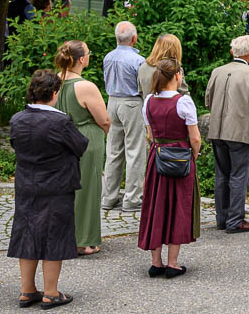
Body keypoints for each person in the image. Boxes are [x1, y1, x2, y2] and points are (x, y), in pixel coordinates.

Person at [8, 69, 88, 309]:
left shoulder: (17, 119)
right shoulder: (60, 121)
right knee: (54, 236)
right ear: (54, 93)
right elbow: (80, 145)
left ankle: (27, 290)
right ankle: (51, 292)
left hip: (26, 183)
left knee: (27, 233)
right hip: (56, 184)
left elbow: (15, 144)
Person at [48, 40, 110, 256]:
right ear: (82, 59)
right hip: (85, 140)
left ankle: (62, 235)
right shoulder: (85, 86)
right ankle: (84, 241)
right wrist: (106, 132)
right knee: (87, 190)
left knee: (63, 189)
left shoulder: (53, 81)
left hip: (60, 139)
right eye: (88, 53)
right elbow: (104, 119)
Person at [138, 57, 199, 278]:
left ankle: (156, 262)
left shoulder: (149, 101)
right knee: (178, 206)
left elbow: (150, 135)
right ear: (177, 76)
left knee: (157, 205)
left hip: (157, 157)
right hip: (180, 158)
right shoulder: (184, 102)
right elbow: (195, 138)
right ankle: (173, 263)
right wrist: (193, 156)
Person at [203, 35, 249, 234]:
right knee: (238, 175)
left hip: (217, 129)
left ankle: (222, 219)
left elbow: (207, 100)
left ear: (232, 52)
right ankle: (235, 220)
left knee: (221, 174)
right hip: (239, 130)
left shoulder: (217, 71)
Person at [101, 21, 148, 212]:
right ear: (134, 39)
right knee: (135, 151)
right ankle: (132, 199)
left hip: (112, 102)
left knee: (113, 151)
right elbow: (143, 87)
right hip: (131, 103)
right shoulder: (138, 60)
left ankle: (109, 197)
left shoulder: (108, 57)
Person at [137, 33, 188, 102]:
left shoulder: (143, 67)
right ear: (176, 51)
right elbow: (184, 94)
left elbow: (140, 92)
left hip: (148, 107)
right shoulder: (174, 69)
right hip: (169, 108)